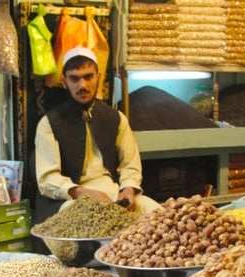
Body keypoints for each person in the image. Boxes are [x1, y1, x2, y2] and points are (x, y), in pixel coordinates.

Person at [32, 46, 160, 223]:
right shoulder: (49, 123)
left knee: (158, 214)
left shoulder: (116, 118)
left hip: (112, 194)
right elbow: (47, 178)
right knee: (91, 220)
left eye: (88, 77)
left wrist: (129, 189)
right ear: (64, 81)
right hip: (68, 198)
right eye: (74, 78)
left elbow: (130, 164)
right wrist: (79, 192)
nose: (82, 85)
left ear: (98, 77)